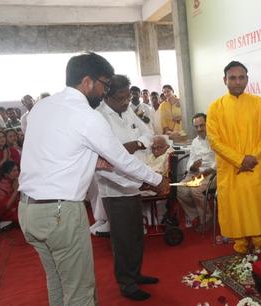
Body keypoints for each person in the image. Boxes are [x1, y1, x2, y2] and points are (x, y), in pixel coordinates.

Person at [18, 52, 169, 306]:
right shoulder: (87, 116)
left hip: (29, 210)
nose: (105, 91)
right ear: (87, 82)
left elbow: (54, 152)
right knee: (80, 292)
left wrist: (94, 161)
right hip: (60, 212)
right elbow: (122, 158)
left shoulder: (42, 107)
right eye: (104, 85)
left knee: (57, 283)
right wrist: (156, 179)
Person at [96, 74, 158, 301]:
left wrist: (136, 144)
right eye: (121, 97)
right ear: (107, 95)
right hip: (115, 189)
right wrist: (125, 149)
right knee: (122, 239)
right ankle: (127, 283)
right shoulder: (100, 117)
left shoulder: (129, 110)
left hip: (135, 183)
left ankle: (135, 273)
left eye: (127, 96)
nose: (125, 101)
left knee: (136, 235)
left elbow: (148, 134)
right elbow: (110, 156)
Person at [206, 61, 261, 254]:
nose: (237, 82)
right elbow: (214, 140)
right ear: (225, 80)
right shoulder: (215, 107)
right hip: (231, 168)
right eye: (233, 78)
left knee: (256, 207)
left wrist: (252, 157)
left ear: (247, 79)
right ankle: (240, 246)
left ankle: (260, 244)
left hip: (254, 166)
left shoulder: (257, 102)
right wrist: (239, 159)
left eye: (241, 77)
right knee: (235, 209)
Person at [177, 113, 216, 232]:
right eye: (196, 127)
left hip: (213, 173)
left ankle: (206, 219)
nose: (199, 129)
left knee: (195, 190)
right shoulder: (195, 142)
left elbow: (221, 161)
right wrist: (193, 167)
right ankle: (199, 216)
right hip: (196, 173)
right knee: (180, 189)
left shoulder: (216, 138)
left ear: (208, 124)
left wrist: (205, 172)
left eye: (202, 125)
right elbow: (190, 162)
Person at [0, 160, 19, 231]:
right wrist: (16, 190)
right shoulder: (1, 186)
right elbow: (5, 207)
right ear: (6, 174)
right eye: (14, 171)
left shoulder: (14, 181)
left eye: (17, 170)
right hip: (5, 213)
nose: (17, 173)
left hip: (15, 209)